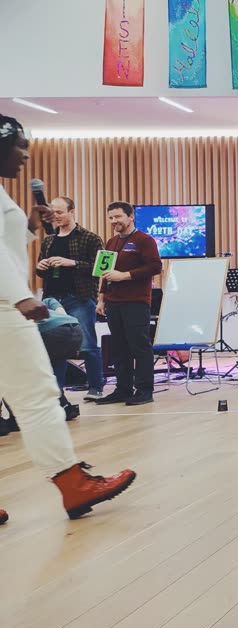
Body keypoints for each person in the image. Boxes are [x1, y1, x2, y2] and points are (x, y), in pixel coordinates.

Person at [0, 115, 136, 526]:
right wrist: (21, 295)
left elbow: (5, 246)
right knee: (38, 396)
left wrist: (29, 226)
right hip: (4, 306)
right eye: (19, 146)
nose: (25, 156)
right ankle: (73, 484)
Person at [35, 196, 105, 400]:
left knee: (87, 344)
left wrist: (72, 263)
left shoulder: (90, 238)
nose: (55, 216)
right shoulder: (48, 240)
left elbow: (100, 269)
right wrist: (40, 267)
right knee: (56, 346)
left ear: (72, 212)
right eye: (53, 212)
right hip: (52, 298)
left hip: (79, 298)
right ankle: (57, 393)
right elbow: (41, 271)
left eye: (60, 212)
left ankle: (96, 387)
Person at [95, 201, 162, 406]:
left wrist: (125, 275)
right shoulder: (111, 242)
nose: (114, 221)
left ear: (131, 216)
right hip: (113, 302)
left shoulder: (144, 240)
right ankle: (123, 389)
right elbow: (104, 273)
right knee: (119, 348)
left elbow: (155, 266)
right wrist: (101, 298)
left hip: (135, 302)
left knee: (139, 346)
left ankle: (144, 390)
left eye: (118, 217)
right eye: (111, 217)